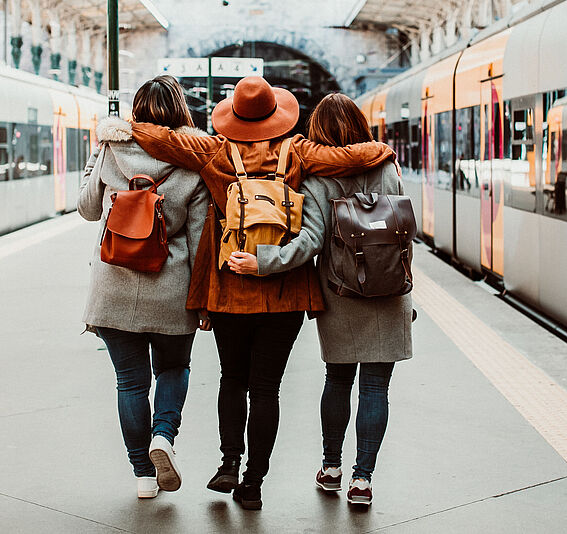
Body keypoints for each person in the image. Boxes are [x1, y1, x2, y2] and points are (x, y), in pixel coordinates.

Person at [127, 76, 396, 510]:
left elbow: (161, 140)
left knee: (232, 379)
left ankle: (228, 464)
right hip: (285, 290)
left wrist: (126, 126)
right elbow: (347, 157)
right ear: (277, 114)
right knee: (267, 388)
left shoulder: (213, 150)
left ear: (233, 115)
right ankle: (253, 483)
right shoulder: (298, 151)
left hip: (230, 284)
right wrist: (380, 150)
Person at [227, 93, 413, 507]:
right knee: (376, 387)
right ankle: (362, 480)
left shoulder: (317, 177)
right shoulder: (387, 165)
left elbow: (310, 241)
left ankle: (331, 469)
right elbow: (403, 231)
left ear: (318, 133)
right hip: (389, 291)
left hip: (342, 291)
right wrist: (401, 284)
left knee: (339, 380)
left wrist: (262, 262)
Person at [78, 75, 210, 500]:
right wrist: (203, 299)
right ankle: (163, 436)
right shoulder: (193, 157)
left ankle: (143, 476)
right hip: (171, 288)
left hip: (113, 286)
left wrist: (96, 160)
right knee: (173, 368)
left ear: (135, 111)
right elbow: (198, 238)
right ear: (181, 111)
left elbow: (87, 209)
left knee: (130, 383)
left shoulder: (111, 147)